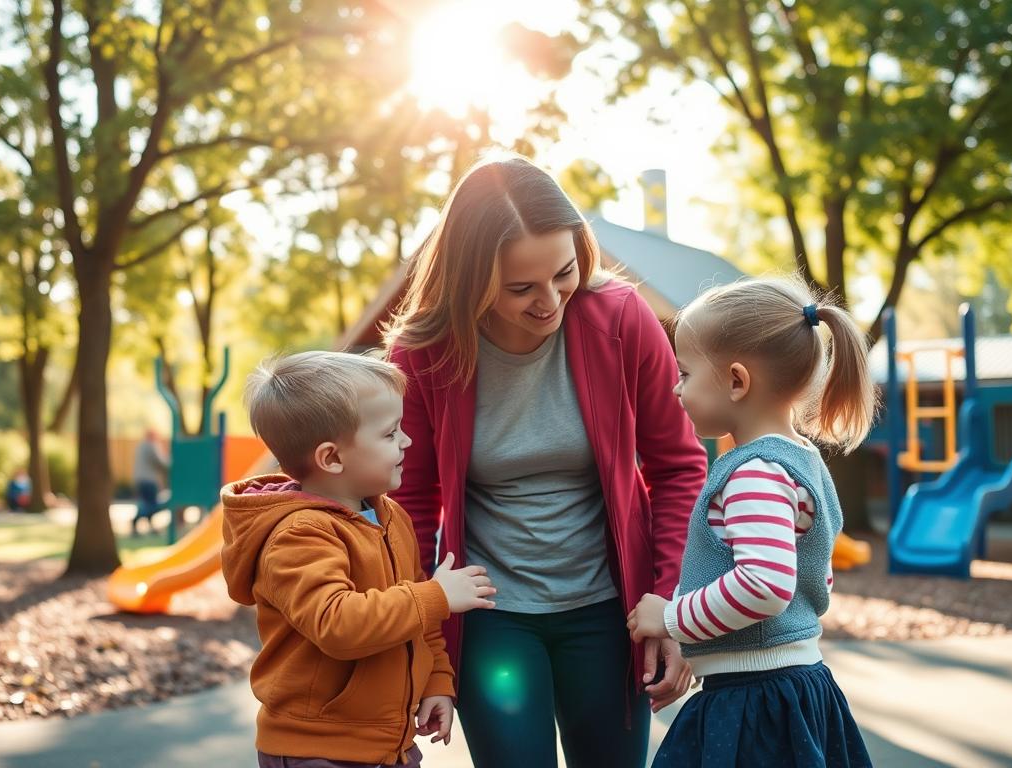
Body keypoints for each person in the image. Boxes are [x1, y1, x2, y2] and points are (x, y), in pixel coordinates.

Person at [384, 155, 708, 767]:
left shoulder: (621, 318)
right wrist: (422, 644)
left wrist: (672, 600)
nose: (548, 302)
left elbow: (678, 468)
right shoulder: (424, 353)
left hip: (608, 612)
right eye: (519, 287)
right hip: (491, 618)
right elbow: (410, 504)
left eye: (562, 273)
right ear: (469, 278)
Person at [627, 276, 875, 767]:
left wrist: (673, 616)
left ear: (737, 381)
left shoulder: (753, 475)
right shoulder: (801, 458)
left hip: (753, 699)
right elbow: (814, 573)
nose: (676, 390)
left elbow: (765, 585)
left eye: (685, 374)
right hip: (794, 686)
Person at [221, 351, 498, 767]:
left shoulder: (390, 516)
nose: (407, 441)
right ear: (331, 458)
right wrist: (435, 596)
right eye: (390, 434)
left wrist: (437, 682)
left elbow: (420, 621)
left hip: (389, 744)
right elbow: (339, 624)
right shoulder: (299, 535)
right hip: (317, 749)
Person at [132, 428, 169, 535]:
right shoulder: (151, 446)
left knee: (146, 502)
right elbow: (161, 462)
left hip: (139, 479)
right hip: (149, 480)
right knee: (152, 505)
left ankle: (151, 527)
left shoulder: (140, 446)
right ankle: (136, 519)